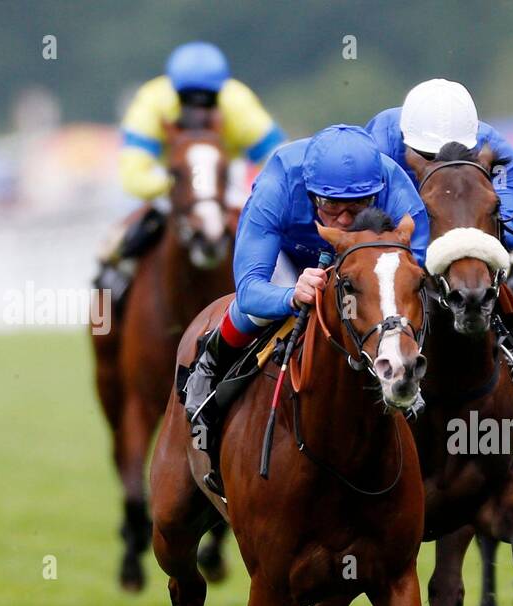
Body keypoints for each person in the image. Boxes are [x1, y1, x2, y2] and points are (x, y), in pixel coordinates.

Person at [183, 124, 430, 442]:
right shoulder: (279, 183)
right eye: (330, 206)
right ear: (310, 192)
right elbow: (248, 290)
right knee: (258, 312)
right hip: (290, 258)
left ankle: (410, 376)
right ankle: (210, 364)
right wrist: (290, 295)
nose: (344, 219)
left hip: (362, 265)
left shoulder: (394, 185)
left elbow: (413, 272)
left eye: (357, 206)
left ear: (375, 191)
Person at [94, 42, 285, 302]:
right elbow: (133, 175)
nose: (198, 112)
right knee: (116, 246)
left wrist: (252, 191)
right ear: (173, 91)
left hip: (225, 184)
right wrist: (181, 186)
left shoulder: (238, 103)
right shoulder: (151, 103)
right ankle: (113, 298)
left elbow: (279, 160)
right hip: (171, 184)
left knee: (282, 236)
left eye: (207, 102)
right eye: (188, 101)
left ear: (221, 93)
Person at [366, 78, 513, 249]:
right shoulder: (380, 141)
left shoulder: (486, 141)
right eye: (429, 155)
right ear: (405, 136)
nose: (439, 164)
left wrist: (502, 225)